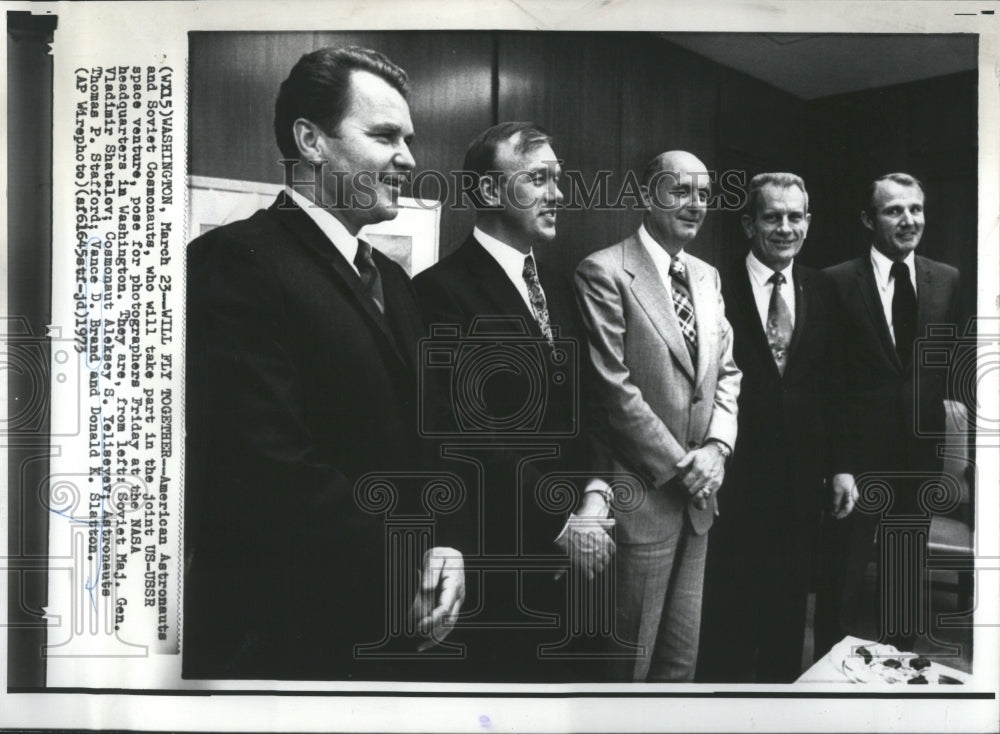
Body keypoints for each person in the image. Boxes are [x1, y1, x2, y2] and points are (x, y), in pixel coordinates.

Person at [184, 46, 464, 680]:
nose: (410, 158)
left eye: (409, 138)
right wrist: (409, 555)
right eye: (385, 136)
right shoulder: (235, 262)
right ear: (311, 140)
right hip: (284, 635)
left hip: (395, 624)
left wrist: (448, 543)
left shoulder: (393, 278)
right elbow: (267, 468)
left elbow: (434, 432)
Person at [412, 122, 614, 681]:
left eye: (559, 178)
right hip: (504, 564)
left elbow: (589, 401)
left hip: (583, 556)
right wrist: (561, 524)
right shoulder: (438, 293)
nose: (558, 194)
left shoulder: (557, 284)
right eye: (539, 179)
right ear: (489, 193)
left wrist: (595, 496)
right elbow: (462, 435)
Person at [574, 150, 741, 682]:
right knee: (630, 667)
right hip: (643, 500)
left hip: (699, 504)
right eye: (681, 191)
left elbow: (728, 374)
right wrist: (683, 466)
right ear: (648, 196)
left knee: (679, 666)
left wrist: (717, 449)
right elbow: (613, 387)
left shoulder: (708, 277)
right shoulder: (604, 271)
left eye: (704, 194)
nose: (696, 205)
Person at [696, 173, 850, 683]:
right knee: (728, 625)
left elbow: (833, 386)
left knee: (787, 625)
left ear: (808, 222)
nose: (785, 227)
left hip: (800, 489)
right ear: (748, 224)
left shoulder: (821, 286)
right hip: (734, 484)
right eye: (772, 217)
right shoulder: (712, 285)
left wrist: (839, 468)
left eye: (795, 217)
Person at [818, 172, 962, 653]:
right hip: (856, 461)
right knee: (843, 573)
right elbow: (828, 381)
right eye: (893, 210)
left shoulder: (947, 280)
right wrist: (837, 463)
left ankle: (898, 678)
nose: (908, 220)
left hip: (918, 455)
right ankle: (824, 681)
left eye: (915, 209)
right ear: (868, 219)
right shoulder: (836, 282)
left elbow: (944, 366)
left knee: (905, 574)